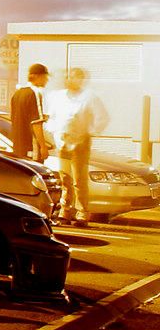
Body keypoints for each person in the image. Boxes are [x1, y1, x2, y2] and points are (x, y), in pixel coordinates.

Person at [46, 67, 109, 226]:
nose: (71, 80)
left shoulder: (89, 97)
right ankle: (65, 211)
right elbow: (51, 119)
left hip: (80, 144)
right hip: (63, 143)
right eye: (70, 77)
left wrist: (88, 133)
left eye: (76, 77)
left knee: (79, 180)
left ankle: (82, 213)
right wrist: (56, 134)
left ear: (82, 80)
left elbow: (102, 118)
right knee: (65, 178)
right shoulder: (58, 97)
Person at [10, 62, 50, 161]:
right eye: (45, 77)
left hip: (18, 147)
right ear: (37, 77)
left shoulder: (17, 94)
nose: (47, 80)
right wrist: (43, 146)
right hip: (31, 148)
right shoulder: (35, 93)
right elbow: (36, 123)